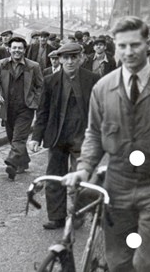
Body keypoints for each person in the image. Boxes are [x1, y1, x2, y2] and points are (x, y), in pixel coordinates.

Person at [62, 16, 150, 272]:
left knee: (149, 263)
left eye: (135, 44)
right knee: (119, 263)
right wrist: (84, 168)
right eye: (122, 45)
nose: (129, 52)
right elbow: (94, 134)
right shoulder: (103, 88)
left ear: (146, 44)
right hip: (117, 187)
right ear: (115, 46)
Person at [29, 43, 99, 229]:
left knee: (80, 178)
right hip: (58, 137)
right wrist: (36, 136)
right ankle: (56, 217)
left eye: (74, 57)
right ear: (59, 59)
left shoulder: (92, 79)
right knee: (54, 177)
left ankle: (77, 213)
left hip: (82, 138)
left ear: (81, 58)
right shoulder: (50, 80)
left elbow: (99, 110)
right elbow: (42, 111)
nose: (69, 61)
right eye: (65, 57)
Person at [0, 36, 43, 180]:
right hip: (8, 107)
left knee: (19, 138)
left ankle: (11, 163)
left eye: (20, 48)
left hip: (26, 108)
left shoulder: (33, 66)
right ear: (9, 49)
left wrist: (34, 101)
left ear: (24, 50)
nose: (17, 51)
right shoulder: (2, 64)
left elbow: (40, 86)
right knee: (12, 137)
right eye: (14, 48)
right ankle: (23, 162)